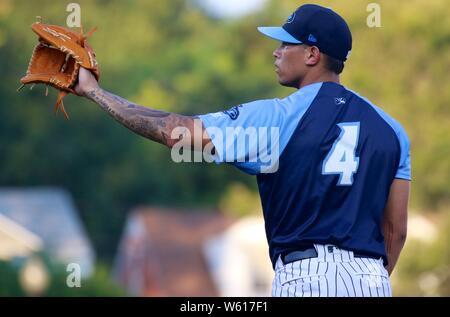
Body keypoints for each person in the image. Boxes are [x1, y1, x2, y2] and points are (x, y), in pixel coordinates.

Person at [74, 4, 410, 297]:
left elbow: (174, 132)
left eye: (285, 43)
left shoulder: (276, 118)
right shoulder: (392, 130)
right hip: (371, 279)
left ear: (312, 55)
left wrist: (95, 92)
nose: (276, 51)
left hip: (306, 277)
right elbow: (396, 231)